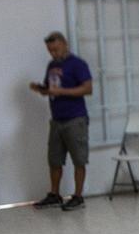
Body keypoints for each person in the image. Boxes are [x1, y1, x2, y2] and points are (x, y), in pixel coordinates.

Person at [29, 32, 93, 211]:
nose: (53, 54)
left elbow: (88, 89)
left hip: (75, 119)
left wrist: (61, 92)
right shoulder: (51, 65)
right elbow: (51, 89)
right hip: (56, 120)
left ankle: (78, 196)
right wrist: (41, 89)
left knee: (79, 159)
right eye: (50, 51)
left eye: (56, 49)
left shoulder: (78, 64)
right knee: (54, 160)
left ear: (65, 44)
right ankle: (54, 195)